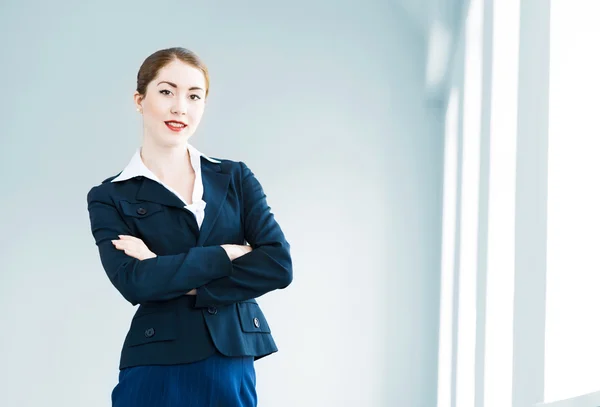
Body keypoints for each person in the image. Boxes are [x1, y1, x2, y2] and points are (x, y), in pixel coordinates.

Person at [86, 47, 293, 407]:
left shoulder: (234, 177)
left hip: (231, 357)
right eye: (166, 91)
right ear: (139, 100)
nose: (180, 106)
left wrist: (164, 267)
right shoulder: (109, 196)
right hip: (156, 361)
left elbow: (277, 266)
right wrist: (227, 254)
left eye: (194, 95)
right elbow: (135, 282)